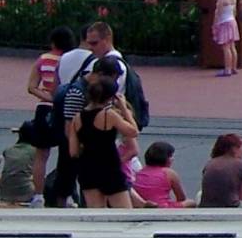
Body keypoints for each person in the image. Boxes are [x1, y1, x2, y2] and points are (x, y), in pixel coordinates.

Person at [76, 77, 137, 209]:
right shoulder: (109, 115)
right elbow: (133, 131)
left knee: (96, 212)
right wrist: (124, 109)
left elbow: (73, 150)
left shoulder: (77, 118)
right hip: (109, 166)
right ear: (110, 97)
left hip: (87, 167)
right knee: (124, 211)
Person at [0, 121, 44, 205]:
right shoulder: (36, 151)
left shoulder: (8, 150)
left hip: (4, 194)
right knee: (41, 177)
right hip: (27, 192)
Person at [198, 133, 242, 207]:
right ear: (234, 149)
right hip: (231, 207)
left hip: (206, 206)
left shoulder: (209, 164)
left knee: (199, 194)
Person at [131, 142, 190, 208]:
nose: (173, 159)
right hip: (162, 206)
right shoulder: (170, 173)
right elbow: (181, 198)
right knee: (191, 203)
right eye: (171, 156)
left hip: (142, 205)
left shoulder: (140, 172)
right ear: (165, 158)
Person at [210, 0, 241, 75]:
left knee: (226, 47)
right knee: (232, 46)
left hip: (224, 22)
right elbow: (235, 11)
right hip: (232, 21)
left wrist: (215, 24)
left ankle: (227, 69)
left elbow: (218, 13)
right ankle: (234, 67)